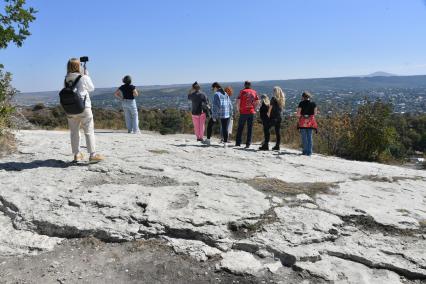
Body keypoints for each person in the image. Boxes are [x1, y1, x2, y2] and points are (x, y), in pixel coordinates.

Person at [64, 58, 104, 163]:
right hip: (84, 107)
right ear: (79, 66)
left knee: (74, 132)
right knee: (89, 131)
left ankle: (77, 154)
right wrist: (86, 75)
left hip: (70, 109)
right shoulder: (83, 77)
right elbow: (91, 88)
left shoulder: (66, 78)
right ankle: (92, 155)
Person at [207, 82, 233, 148]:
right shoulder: (226, 93)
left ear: (215, 87)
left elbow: (215, 106)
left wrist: (214, 116)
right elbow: (230, 104)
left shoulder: (216, 94)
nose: (213, 90)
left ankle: (208, 140)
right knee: (225, 128)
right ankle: (225, 143)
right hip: (226, 113)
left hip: (219, 113)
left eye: (213, 89)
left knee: (210, 125)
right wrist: (231, 113)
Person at [260, 86, 285, 151]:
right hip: (279, 117)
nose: (273, 92)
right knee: (277, 132)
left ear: (275, 91)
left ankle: (266, 145)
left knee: (266, 129)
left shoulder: (273, 98)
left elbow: (270, 108)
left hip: (273, 117)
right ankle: (277, 146)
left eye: (274, 91)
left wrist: (268, 115)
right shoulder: (282, 99)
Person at [235, 81, 259, 148]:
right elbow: (257, 101)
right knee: (250, 128)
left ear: (244, 85)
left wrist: (238, 109)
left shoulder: (242, 92)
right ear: (250, 85)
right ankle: (248, 144)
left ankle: (238, 143)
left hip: (243, 112)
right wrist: (255, 109)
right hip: (251, 112)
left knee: (240, 128)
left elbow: (238, 101)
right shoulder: (254, 92)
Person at [297, 91, 318, 156]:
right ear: (309, 96)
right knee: (310, 137)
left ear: (303, 97)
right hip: (311, 122)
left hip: (303, 122)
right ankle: (309, 152)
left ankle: (304, 151)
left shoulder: (301, 103)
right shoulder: (313, 104)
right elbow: (315, 113)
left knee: (304, 137)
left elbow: (298, 114)